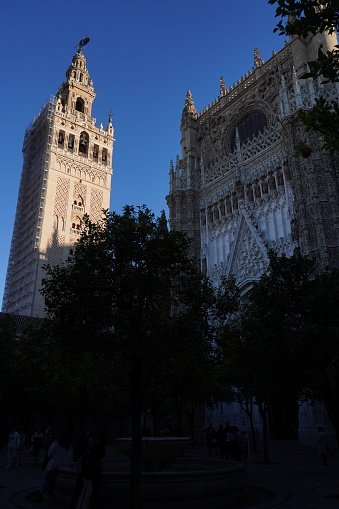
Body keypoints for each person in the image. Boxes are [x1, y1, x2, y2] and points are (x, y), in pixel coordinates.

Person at [34, 432, 71, 502]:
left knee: (46, 478)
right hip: (63, 466)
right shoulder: (68, 445)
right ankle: (51, 494)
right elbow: (69, 456)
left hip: (54, 465)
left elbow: (49, 454)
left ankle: (41, 494)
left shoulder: (57, 442)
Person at [76, 434, 102, 509]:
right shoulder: (87, 451)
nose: (91, 442)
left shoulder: (92, 450)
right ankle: (84, 507)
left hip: (88, 475)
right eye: (89, 441)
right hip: (87, 475)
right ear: (87, 442)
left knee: (84, 492)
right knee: (89, 491)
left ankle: (79, 506)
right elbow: (84, 464)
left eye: (92, 441)